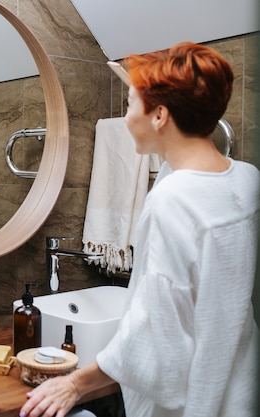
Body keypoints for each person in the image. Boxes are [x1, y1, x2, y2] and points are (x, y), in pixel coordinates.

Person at [20, 42, 259, 417]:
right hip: (240, 383)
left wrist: (73, 384)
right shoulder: (245, 180)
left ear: (160, 115)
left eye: (131, 103)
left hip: (193, 400)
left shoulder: (173, 201)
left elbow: (153, 335)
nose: (127, 117)